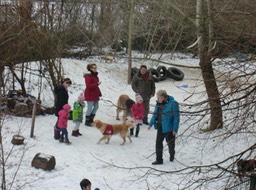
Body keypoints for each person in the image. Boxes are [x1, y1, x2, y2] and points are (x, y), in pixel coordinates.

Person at [148, 90, 180, 165]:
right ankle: (159, 160)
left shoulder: (173, 104)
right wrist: (151, 124)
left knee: (170, 144)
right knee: (158, 143)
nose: (157, 99)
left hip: (169, 128)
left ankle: (172, 154)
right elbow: (155, 114)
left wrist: (175, 129)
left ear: (163, 97)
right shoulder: (158, 103)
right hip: (160, 127)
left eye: (158, 97)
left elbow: (176, 117)